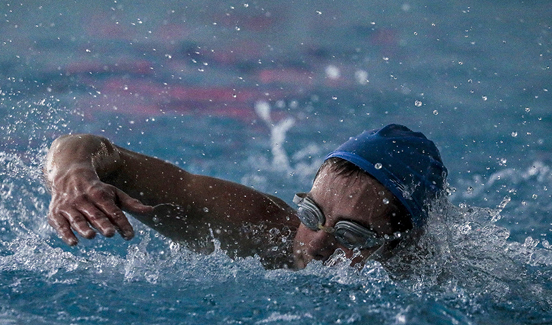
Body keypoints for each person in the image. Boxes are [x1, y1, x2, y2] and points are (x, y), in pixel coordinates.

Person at [44, 124, 447, 271]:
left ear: (404, 246)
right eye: (311, 213)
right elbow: (87, 147)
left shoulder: (437, 287)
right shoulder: (261, 227)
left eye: (352, 234)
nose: (318, 243)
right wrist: (73, 174)